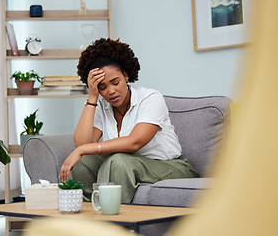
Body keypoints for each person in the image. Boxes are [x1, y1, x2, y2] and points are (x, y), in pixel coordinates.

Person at [59, 38, 199, 203]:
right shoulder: (101, 105)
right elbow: (83, 143)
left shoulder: (150, 98)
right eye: (102, 87)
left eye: (115, 82)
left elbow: (135, 142)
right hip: (129, 165)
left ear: (125, 76)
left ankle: (111, 221)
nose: (111, 91)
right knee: (83, 163)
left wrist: (83, 150)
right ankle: (89, 217)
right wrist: (92, 97)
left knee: (117, 161)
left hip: (170, 166)